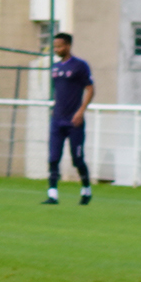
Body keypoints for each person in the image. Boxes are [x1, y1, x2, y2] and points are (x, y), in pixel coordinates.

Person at [44, 32, 95, 205]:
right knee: (53, 158)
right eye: (55, 46)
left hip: (74, 121)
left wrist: (81, 111)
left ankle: (86, 190)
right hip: (57, 120)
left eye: (59, 46)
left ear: (68, 46)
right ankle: (52, 195)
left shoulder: (79, 65)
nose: (57, 49)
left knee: (77, 159)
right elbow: (59, 91)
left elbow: (90, 89)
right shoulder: (55, 67)